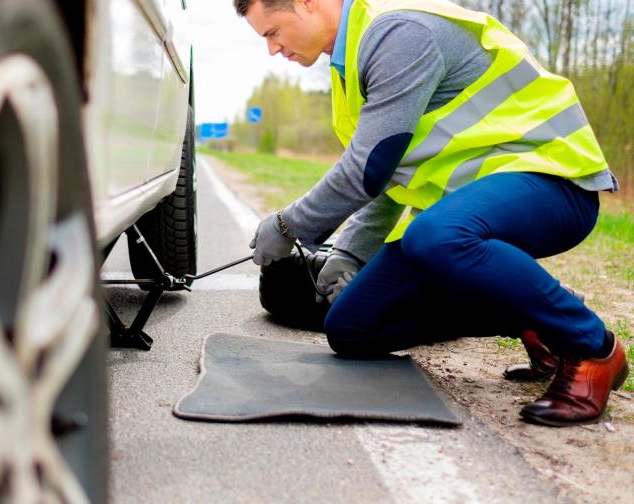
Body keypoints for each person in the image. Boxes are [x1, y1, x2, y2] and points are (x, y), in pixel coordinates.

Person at [236, 0, 629, 426]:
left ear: (308, 3)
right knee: (351, 327)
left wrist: (287, 225)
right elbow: (387, 177)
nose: (273, 49)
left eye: (272, 32)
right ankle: (535, 314)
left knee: (433, 236)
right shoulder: (347, 69)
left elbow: (366, 166)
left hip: (552, 182)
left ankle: (593, 347)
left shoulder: (398, 33)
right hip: (468, 214)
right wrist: (349, 252)